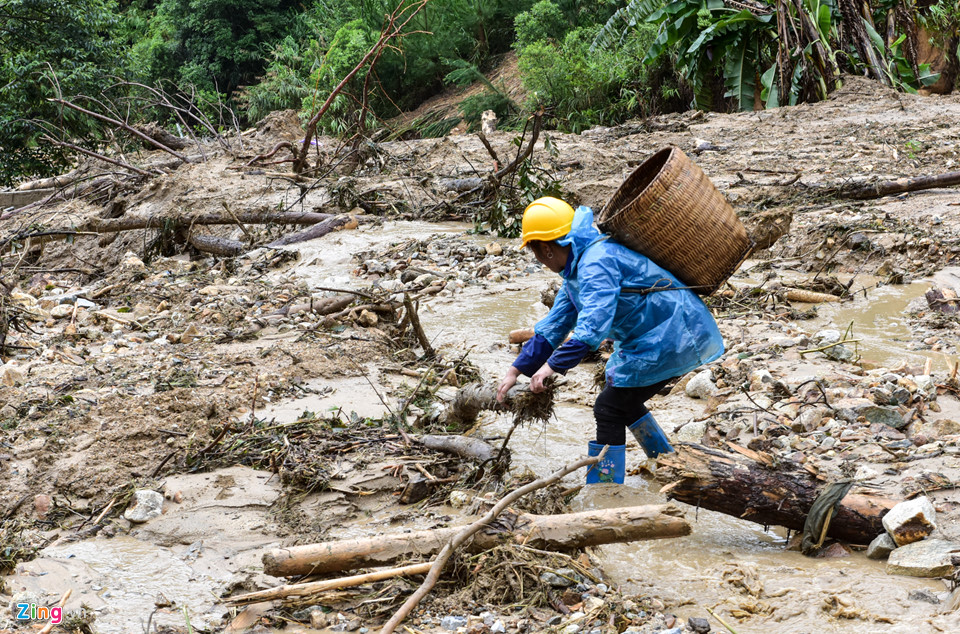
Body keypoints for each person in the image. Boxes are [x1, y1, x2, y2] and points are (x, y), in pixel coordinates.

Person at [496, 197, 724, 484]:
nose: (539, 262)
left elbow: (592, 326)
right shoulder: (577, 269)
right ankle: (668, 465)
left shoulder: (596, 263)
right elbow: (554, 327)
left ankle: (606, 490)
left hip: (676, 335)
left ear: (546, 248)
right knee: (622, 401)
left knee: (609, 407)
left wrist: (551, 367)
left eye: (536, 254)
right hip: (655, 338)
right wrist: (516, 370)